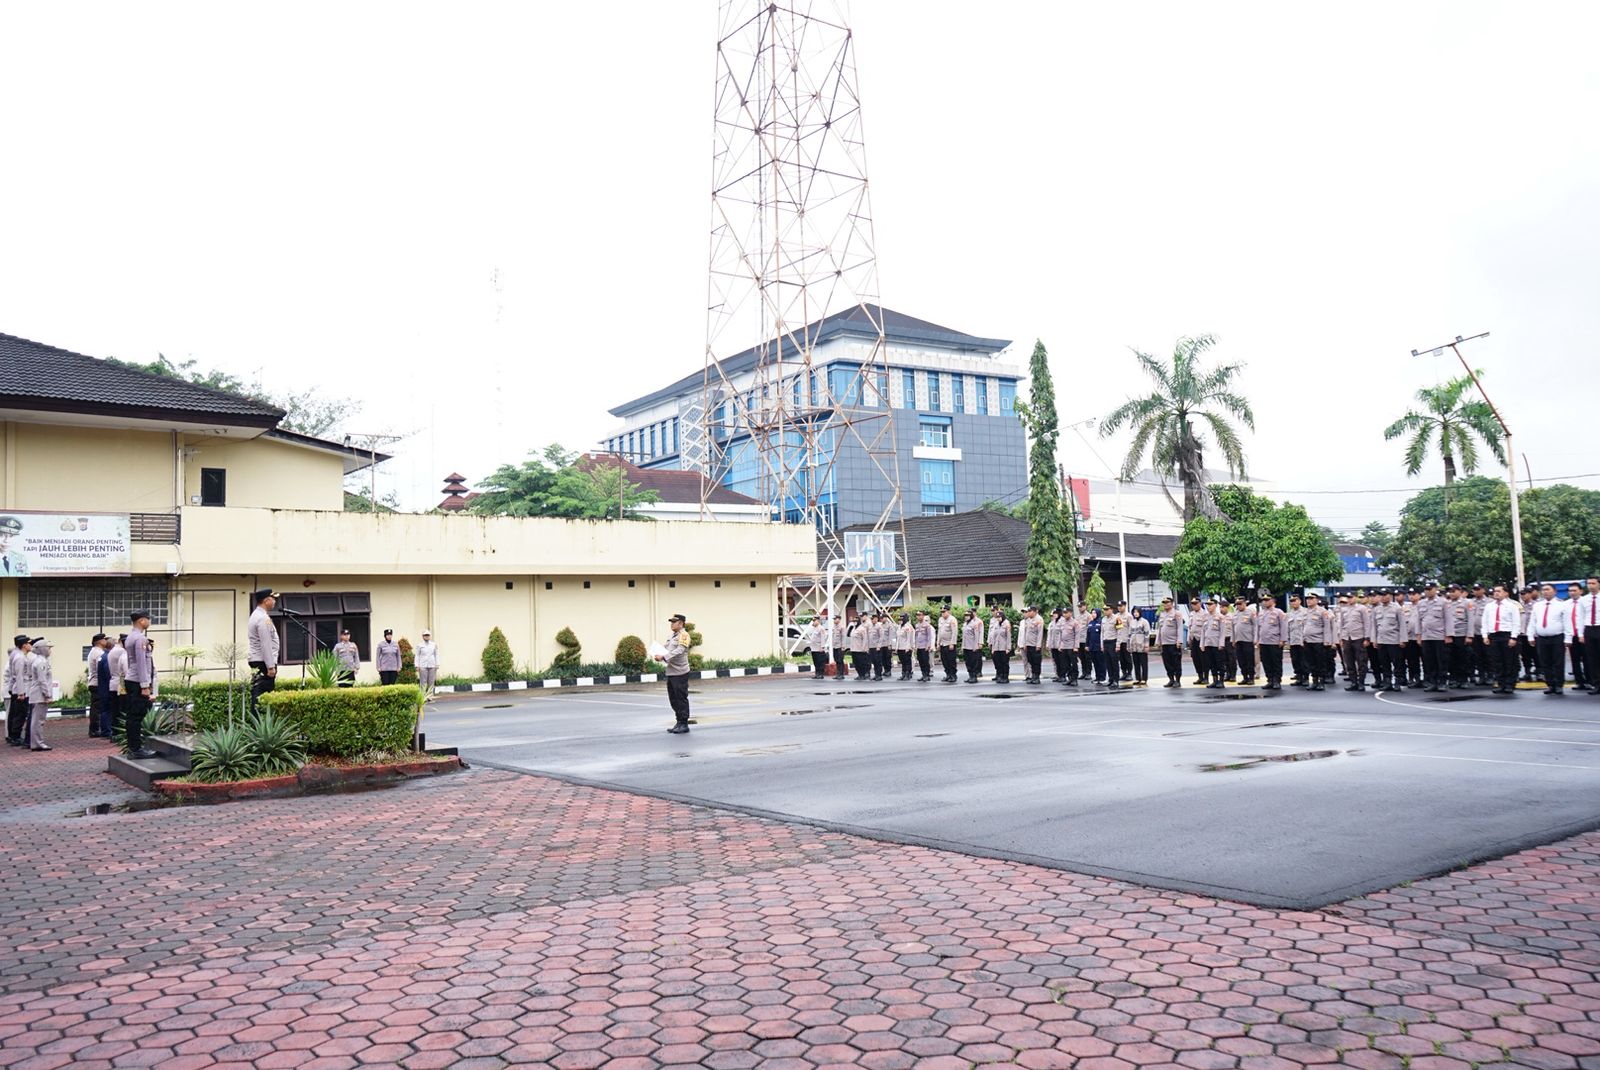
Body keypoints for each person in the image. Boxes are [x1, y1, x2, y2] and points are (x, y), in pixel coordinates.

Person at [1525, 583, 1572, 695]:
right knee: (1545, 662)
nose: (1545, 592)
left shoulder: (1562, 605)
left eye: (1548, 589)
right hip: (1542, 638)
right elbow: (1533, 621)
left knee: (1558, 662)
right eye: (1544, 590)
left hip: (1557, 637)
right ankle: (1550, 684)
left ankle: (1559, 684)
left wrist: (1568, 638)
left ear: (1554, 591)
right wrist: (1530, 635)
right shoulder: (1538, 605)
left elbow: (1567, 622)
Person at [123, 610, 156, 759]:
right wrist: (145, 685)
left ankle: (133, 748)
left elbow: (131, 662)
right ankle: (135, 749)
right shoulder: (140, 638)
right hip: (138, 681)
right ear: (141, 621)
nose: (149, 621)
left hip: (132, 679)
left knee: (132, 716)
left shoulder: (130, 637)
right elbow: (141, 663)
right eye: (148, 619)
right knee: (136, 716)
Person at [655, 613, 693, 733]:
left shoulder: (684, 635)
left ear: (680, 623)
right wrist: (658, 654)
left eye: (674, 622)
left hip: (680, 672)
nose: (671, 624)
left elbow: (680, 650)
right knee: (673, 699)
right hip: (671, 671)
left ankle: (684, 723)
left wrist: (664, 657)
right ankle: (679, 721)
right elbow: (666, 648)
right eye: (671, 622)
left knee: (681, 698)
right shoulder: (672, 636)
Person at [1482, 584, 1521, 695]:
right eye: (1495, 591)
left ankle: (1509, 684)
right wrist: (1485, 635)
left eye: (1499, 591)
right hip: (1494, 635)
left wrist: (1513, 637)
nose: (1496, 593)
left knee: (1509, 661)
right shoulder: (1489, 606)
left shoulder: (1512, 606)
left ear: (1506, 593)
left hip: (1506, 634)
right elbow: (1485, 622)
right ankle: (1500, 683)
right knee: (1496, 661)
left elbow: (1516, 623)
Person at [246, 588, 279, 711]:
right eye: (273, 599)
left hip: (259, 660)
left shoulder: (257, 615)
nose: (274, 601)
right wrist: (270, 666)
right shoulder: (262, 618)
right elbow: (266, 643)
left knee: (257, 692)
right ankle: (260, 720)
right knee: (263, 695)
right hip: (263, 662)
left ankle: (257, 719)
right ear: (266, 601)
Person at [1370, 589, 1408, 692]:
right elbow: (1374, 626)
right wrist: (1374, 639)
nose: (1382, 597)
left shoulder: (1397, 608)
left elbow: (1402, 625)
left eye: (1384, 595)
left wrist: (1403, 639)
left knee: (1397, 662)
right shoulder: (1376, 609)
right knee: (1384, 662)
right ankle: (1387, 682)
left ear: (1390, 596)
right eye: (1380, 595)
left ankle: (1397, 681)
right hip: (1381, 640)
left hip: (1394, 640)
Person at [1414, 583, 1449, 692]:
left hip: (1439, 636)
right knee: (1429, 661)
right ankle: (1433, 682)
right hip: (1426, 636)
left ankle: (1442, 682)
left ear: (1435, 589)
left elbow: (1448, 619)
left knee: (1441, 660)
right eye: (1426, 589)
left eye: (1430, 589)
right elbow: (1418, 621)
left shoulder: (1443, 602)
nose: (1428, 591)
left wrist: (1448, 635)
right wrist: (1418, 635)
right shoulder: (1421, 603)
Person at [21, 637, 53, 751]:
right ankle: (37, 743)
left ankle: (36, 742)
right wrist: (47, 694)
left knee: (37, 720)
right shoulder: (41, 662)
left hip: (37, 694)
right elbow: (42, 680)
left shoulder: (39, 660)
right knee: (38, 721)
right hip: (40, 695)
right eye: (48, 648)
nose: (50, 650)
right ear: (42, 649)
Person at [1338, 591, 1372, 692]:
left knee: (1361, 661)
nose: (1349, 599)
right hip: (1347, 638)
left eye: (1351, 597)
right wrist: (1341, 638)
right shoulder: (1343, 610)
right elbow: (1341, 625)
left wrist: (1367, 638)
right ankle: (1353, 682)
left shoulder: (1362, 608)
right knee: (1349, 661)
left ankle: (1361, 682)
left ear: (1356, 598)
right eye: (1348, 597)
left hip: (1358, 637)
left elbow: (1367, 623)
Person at [1301, 593, 1334, 691]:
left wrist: (1327, 641)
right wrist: (1302, 639)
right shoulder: (1305, 612)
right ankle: (1314, 681)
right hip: (1308, 641)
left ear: (1316, 600)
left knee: (1320, 662)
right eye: (1307, 598)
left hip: (1318, 640)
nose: (1308, 600)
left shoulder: (1322, 611)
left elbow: (1327, 627)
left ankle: (1321, 681)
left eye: (1311, 598)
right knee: (1311, 662)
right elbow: (1303, 626)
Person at [1255, 593, 1288, 691]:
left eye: (1267, 600)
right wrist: (1257, 640)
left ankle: (1277, 680)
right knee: (1266, 662)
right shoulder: (1261, 613)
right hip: (1263, 642)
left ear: (1273, 601)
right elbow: (1258, 628)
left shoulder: (1279, 612)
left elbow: (1283, 627)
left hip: (1274, 641)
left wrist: (1283, 639)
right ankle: (1270, 680)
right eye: (1263, 600)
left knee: (1276, 662)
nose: (1265, 602)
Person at [1579, 577, 1600, 696]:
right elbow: (1581, 617)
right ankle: (1597, 684)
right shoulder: (1584, 600)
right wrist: (1581, 634)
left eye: (1593, 583)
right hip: (1589, 629)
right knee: (1592, 658)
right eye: (1588, 583)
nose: (1591, 586)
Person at [6, 634, 28, 746]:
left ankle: (12, 735)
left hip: (15, 688)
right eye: (28, 643)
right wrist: (21, 693)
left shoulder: (15, 654)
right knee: (20, 714)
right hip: (20, 689)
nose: (30, 645)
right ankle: (16, 736)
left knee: (14, 713)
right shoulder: (20, 657)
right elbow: (19, 676)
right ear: (24, 645)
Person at [1156, 598, 1183, 687]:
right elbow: (1160, 629)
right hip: (1164, 643)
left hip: (1173, 642)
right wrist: (1158, 641)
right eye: (1164, 603)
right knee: (1167, 663)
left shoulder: (1176, 613)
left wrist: (1179, 640)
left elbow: (1180, 627)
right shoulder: (1162, 614)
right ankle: (1171, 679)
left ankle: (1177, 680)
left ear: (1172, 603)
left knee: (1176, 662)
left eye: (1167, 602)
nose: (1165, 604)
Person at [86, 633, 109, 737]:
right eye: (104, 639)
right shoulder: (98, 653)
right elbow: (101, 668)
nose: (105, 641)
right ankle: (94, 729)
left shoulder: (94, 651)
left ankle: (95, 729)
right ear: (99, 641)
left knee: (96, 707)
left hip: (94, 682)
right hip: (97, 683)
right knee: (97, 708)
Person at [1566, 583, 1587, 691]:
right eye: (1570, 591)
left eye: (1574, 590)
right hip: (1572, 635)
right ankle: (1579, 682)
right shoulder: (1566, 604)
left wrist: (1582, 634)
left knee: (1588, 659)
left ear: (1581, 591)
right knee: (1575, 660)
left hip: (1584, 635)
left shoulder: (1586, 602)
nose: (1572, 593)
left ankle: (1591, 680)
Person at [1199, 600, 1225, 688]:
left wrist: (1221, 643)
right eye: (1207, 605)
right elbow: (1203, 631)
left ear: (1215, 605)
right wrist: (1202, 644)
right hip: (1208, 643)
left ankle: (1221, 680)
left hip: (1216, 643)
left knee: (1219, 663)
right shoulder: (1205, 617)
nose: (1208, 606)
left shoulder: (1220, 617)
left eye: (1210, 604)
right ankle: (1215, 680)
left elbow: (1222, 631)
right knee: (1211, 663)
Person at [106, 633, 127, 738]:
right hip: (121, 684)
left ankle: (115, 733)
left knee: (115, 711)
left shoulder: (113, 650)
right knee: (121, 711)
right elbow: (125, 671)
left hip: (113, 683)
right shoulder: (122, 652)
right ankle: (119, 733)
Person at [1232, 596, 1257, 685]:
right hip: (1238, 640)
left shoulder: (1250, 612)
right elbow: (1233, 628)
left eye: (1240, 604)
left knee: (1249, 660)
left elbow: (1255, 626)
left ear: (1245, 603)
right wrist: (1233, 640)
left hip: (1248, 640)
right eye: (1237, 604)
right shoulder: (1235, 614)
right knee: (1241, 660)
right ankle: (1245, 677)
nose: (1238, 606)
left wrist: (1255, 638)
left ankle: (1251, 677)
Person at [1019, 606, 1044, 685]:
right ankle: (1033, 676)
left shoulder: (1039, 619)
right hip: (1028, 644)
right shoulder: (1028, 620)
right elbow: (1026, 633)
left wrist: (1038, 645)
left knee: (1036, 662)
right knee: (1031, 661)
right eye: (1028, 611)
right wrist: (1025, 644)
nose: (1028, 613)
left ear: (1035, 611)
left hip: (1035, 644)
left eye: (1030, 611)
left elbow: (1040, 633)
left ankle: (1037, 677)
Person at [987, 607, 1012, 684]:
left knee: (1005, 663)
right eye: (997, 617)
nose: (998, 618)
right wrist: (993, 648)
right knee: (998, 662)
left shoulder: (1006, 624)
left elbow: (1008, 637)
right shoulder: (996, 624)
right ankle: (1000, 676)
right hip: (996, 647)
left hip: (1004, 647)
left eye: (999, 617)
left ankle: (1005, 677)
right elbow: (993, 637)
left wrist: (1008, 648)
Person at [1127, 606, 1150, 685]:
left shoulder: (1144, 622)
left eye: (1137, 612)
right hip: (1134, 646)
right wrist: (1128, 645)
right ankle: (1138, 678)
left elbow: (1147, 634)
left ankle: (1144, 678)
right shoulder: (1132, 622)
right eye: (1134, 612)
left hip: (1142, 646)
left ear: (1140, 612)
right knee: (1136, 663)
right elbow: (1129, 634)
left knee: (1143, 663)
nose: (1135, 613)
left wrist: (1146, 645)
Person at [936, 605, 959, 684]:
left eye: (944, 611)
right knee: (944, 660)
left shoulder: (952, 619)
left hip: (949, 643)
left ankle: (953, 675)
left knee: (951, 661)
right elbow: (939, 632)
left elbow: (954, 632)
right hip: (942, 643)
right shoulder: (940, 619)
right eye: (941, 612)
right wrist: (938, 643)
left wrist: (952, 643)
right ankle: (948, 674)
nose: (942, 613)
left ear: (948, 611)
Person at [961, 609, 985, 683]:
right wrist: (962, 646)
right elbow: (963, 637)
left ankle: (974, 676)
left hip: (972, 646)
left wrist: (976, 646)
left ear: (971, 616)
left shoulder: (974, 624)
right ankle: (970, 675)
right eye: (965, 615)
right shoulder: (965, 624)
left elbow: (977, 636)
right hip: (966, 646)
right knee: (967, 662)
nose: (966, 617)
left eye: (968, 615)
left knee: (973, 662)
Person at [1187, 599, 1206, 685]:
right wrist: (1189, 639)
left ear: (1200, 603)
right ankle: (1200, 676)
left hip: (1201, 639)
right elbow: (1190, 627)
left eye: (1195, 603)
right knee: (1195, 658)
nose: (1194, 605)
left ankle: (1205, 677)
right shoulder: (1191, 614)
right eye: (1192, 604)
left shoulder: (1204, 614)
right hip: (1194, 639)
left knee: (1203, 659)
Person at [1047, 608, 1069, 683]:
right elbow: (1050, 634)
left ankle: (1063, 676)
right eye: (1053, 614)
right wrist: (1049, 644)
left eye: (1056, 613)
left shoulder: (1062, 621)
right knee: (1056, 661)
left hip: (1060, 645)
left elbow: (1063, 634)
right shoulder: (1053, 622)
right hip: (1053, 645)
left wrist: (1061, 645)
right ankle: (1059, 675)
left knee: (1062, 661)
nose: (1054, 615)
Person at [415, 629, 439, 694]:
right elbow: (417, 655)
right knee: (423, 682)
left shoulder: (434, 645)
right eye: (425, 635)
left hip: (432, 665)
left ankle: (430, 696)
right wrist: (417, 666)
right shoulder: (419, 645)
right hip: (423, 665)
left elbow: (436, 654)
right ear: (422, 636)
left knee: (431, 682)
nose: (426, 636)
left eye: (428, 635)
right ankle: (422, 695)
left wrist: (437, 664)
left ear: (430, 636)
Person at [848, 613, 870, 680]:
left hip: (860, 649)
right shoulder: (853, 628)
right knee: (856, 663)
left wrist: (864, 648)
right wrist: (850, 628)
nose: (855, 622)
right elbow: (848, 635)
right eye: (854, 621)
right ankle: (859, 674)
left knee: (861, 663)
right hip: (853, 649)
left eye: (856, 621)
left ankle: (863, 675)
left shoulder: (862, 629)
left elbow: (865, 639)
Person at [913, 612, 934, 682]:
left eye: (920, 615)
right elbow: (916, 636)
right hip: (919, 646)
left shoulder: (927, 625)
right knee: (921, 661)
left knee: (925, 661)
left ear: (923, 616)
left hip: (924, 646)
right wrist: (915, 645)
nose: (919, 617)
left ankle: (927, 675)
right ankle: (923, 674)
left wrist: (928, 645)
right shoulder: (917, 625)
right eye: (917, 615)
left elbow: (929, 636)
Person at [894, 613, 914, 681]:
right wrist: (896, 647)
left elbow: (909, 638)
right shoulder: (899, 627)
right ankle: (903, 674)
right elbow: (898, 638)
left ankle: (908, 674)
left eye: (901, 619)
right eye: (899, 619)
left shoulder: (908, 627)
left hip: (906, 647)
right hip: (900, 647)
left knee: (907, 662)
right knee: (902, 662)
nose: (900, 621)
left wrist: (908, 647)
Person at [831, 613, 848, 683]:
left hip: (840, 646)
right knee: (836, 660)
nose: (834, 620)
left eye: (835, 619)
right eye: (834, 619)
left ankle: (841, 674)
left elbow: (843, 637)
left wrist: (843, 646)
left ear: (839, 619)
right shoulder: (834, 627)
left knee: (840, 660)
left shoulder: (842, 627)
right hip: (835, 646)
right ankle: (838, 673)